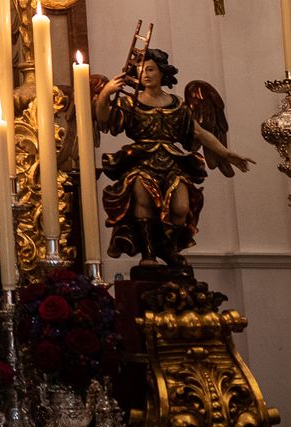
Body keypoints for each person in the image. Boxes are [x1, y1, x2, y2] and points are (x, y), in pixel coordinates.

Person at [96, 48, 253, 268]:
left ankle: (167, 247)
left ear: (162, 72)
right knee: (143, 200)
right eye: (140, 70)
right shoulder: (130, 103)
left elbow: (199, 133)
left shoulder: (177, 104)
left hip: (172, 161)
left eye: (150, 69)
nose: (145, 74)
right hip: (141, 160)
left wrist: (226, 153)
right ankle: (148, 254)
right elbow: (103, 118)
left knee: (180, 207)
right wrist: (106, 93)